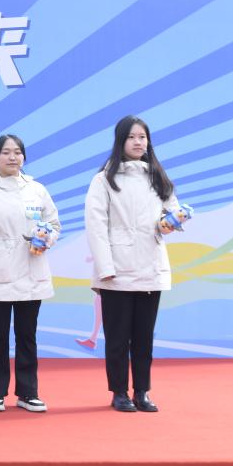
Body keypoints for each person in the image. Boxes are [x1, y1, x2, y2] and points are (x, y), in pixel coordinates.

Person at [84, 115, 180, 413]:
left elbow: (172, 212)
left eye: (142, 137)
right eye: (132, 137)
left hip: (150, 265)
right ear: (120, 141)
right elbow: (96, 226)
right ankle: (119, 392)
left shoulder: (158, 177)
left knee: (143, 337)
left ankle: (142, 391)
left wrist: (169, 223)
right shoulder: (104, 179)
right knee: (117, 337)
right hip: (117, 269)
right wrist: (105, 268)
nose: (138, 142)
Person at [0, 134, 59, 413]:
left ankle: (28, 393)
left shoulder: (37, 190)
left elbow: (53, 224)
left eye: (17, 152)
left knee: (27, 335)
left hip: (31, 269)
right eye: (6, 152)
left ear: (24, 157)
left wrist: (46, 238)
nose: (13, 157)